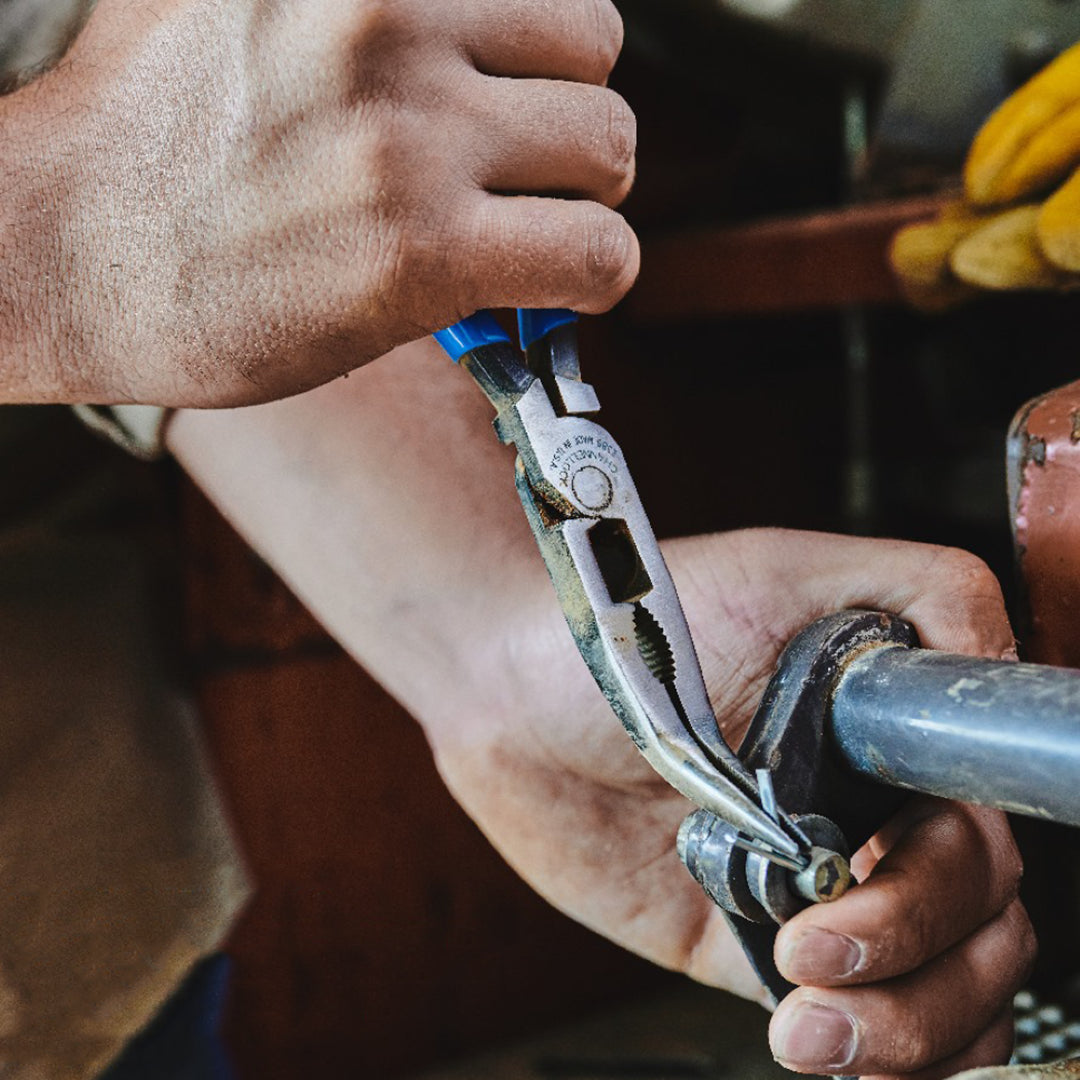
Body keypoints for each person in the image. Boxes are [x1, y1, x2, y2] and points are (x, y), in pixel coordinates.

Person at [0, 1, 1037, 1077]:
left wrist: (491, 640)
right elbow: (128, 192)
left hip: (100, 944)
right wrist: (46, 226)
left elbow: (166, 141)